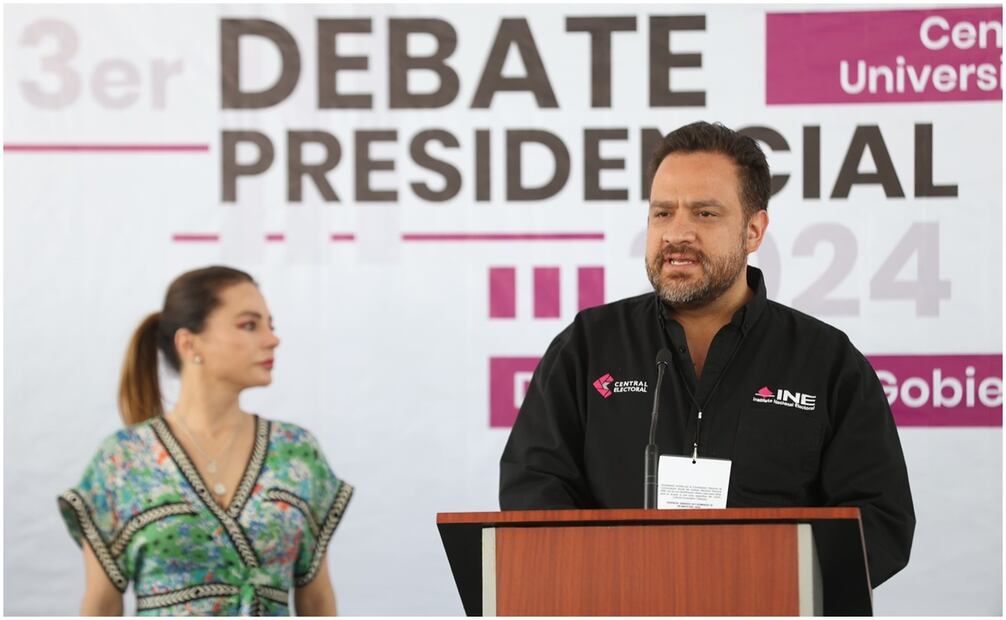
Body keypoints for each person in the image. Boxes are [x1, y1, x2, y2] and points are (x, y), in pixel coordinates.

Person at [499, 121, 915, 587]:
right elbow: (532, 486)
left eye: (705, 214)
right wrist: (605, 577)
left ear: (754, 230)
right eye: (662, 213)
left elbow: (880, 518)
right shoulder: (588, 345)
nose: (677, 234)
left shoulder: (826, 361)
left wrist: (765, 582)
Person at [58, 266, 353, 615]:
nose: (272, 339)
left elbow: (317, 601)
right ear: (189, 343)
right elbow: (101, 605)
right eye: (249, 325)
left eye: (270, 325)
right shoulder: (123, 460)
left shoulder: (296, 453)